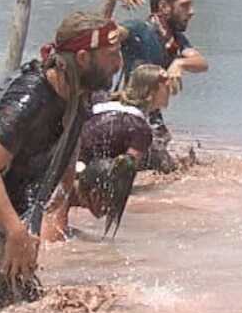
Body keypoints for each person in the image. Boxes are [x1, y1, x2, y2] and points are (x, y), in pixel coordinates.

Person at [0, 13, 124, 313]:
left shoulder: (77, 94)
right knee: (28, 311)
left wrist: (58, 206)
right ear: (83, 58)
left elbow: (65, 158)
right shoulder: (30, 96)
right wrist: (15, 231)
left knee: (14, 307)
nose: (119, 63)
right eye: (112, 55)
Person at [43, 63, 172, 241]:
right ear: (151, 92)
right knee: (56, 227)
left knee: (57, 206)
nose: (171, 90)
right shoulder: (140, 129)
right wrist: (110, 205)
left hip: (59, 158)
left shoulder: (105, 101)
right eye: (166, 87)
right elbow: (125, 171)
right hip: (75, 173)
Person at [106, 0, 207, 170]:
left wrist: (180, 63)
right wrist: (111, 0)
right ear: (164, 7)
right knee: (161, 165)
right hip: (128, 111)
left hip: (151, 114)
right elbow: (102, 38)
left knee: (167, 160)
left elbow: (202, 63)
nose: (191, 12)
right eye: (184, 5)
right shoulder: (137, 29)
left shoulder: (176, 38)